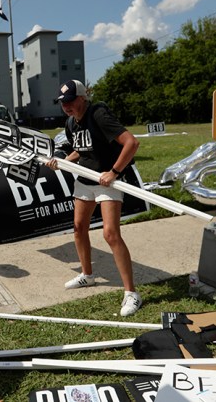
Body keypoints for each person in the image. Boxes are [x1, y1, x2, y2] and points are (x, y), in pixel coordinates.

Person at [45, 80, 142, 317]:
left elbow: (131, 142)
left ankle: (132, 293)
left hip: (108, 181)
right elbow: (83, 148)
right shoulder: (71, 123)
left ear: (82, 98)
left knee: (110, 233)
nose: (66, 107)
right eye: (62, 103)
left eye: (70, 101)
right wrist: (65, 161)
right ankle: (87, 275)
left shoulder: (98, 113)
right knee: (78, 228)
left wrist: (115, 172)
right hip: (85, 180)